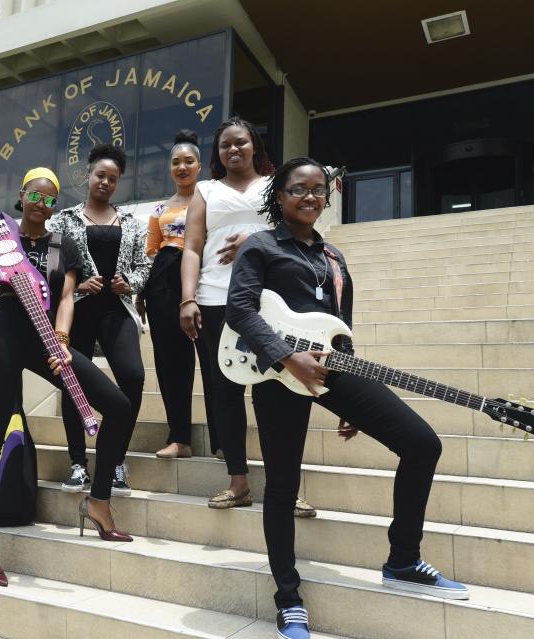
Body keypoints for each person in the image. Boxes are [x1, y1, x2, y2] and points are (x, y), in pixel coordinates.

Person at [226, 158, 468, 638]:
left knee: (422, 444)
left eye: (319, 190)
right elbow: (239, 309)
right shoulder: (261, 246)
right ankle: (288, 598)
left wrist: (353, 398)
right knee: (281, 485)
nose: (310, 197)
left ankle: (402, 559)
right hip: (278, 374)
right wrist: (285, 358)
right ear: (279, 195)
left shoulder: (335, 257)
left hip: (333, 371)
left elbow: (341, 328)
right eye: (298, 189)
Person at [0, 167, 134, 588]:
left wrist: (62, 341)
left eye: (49, 200)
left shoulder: (64, 242)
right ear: (21, 197)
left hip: (46, 336)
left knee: (117, 405)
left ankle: (98, 502)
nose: (40, 205)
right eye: (34, 197)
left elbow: (66, 296)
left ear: (54, 206)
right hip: (5, 331)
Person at [179, 116, 272, 509]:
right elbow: (192, 247)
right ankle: (238, 482)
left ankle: (286, 486)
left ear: (254, 146)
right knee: (225, 394)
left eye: (240, 142)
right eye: (224, 145)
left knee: (274, 395)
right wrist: (188, 298)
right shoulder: (205, 189)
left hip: (271, 301)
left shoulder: (274, 185)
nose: (233, 150)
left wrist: (255, 239)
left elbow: (296, 231)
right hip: (216, 299)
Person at [48, 144, 149, 497]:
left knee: (133, 377)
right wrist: (74, 283)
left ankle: (116, 460)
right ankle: (78, 464)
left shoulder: (132, 224)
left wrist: (130, 282)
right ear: (88, 176)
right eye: (100, 175)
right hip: (78, 308)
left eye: (113, 178)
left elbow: (144, 266)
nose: (105, 182)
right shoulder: (62, 220)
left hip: (116, 309)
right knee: (71, 381)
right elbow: (50, 265)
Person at [144, 130, 220, 459]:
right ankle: (180, 439)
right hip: (163, 279)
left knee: (214, 359)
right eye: (176, 162)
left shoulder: (214, 201)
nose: (182, 167)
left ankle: (223, 440)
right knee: (170, 363)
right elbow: (151, 253)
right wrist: (142, 294)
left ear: (200, 167)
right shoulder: (159, 208)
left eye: (189, 161)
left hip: (203, 278)